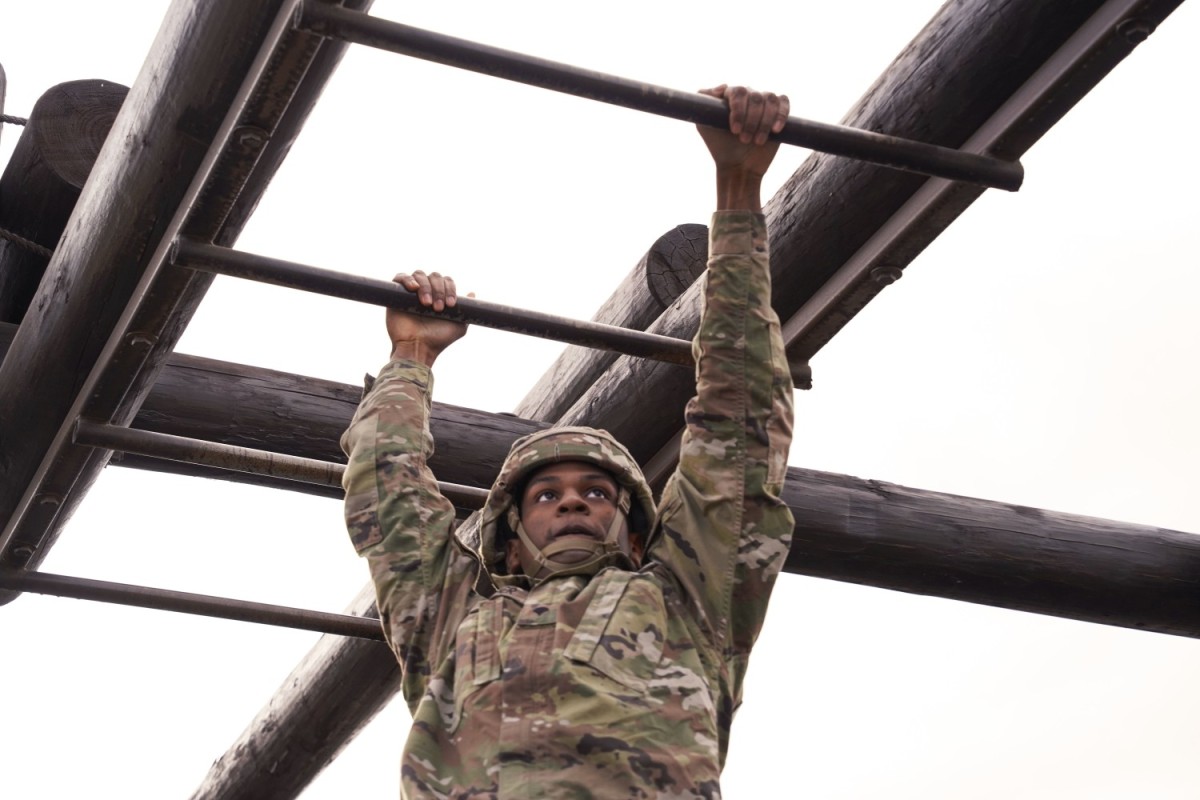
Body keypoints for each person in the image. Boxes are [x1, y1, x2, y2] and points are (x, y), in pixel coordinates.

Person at [340, 84, 795, 799]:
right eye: (547, 495)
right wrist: (410, 361)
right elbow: (386, 496)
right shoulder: (456, 618)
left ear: (638, 535)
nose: (573, 503)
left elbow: (738, 420)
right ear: (511, 540)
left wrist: (738, 190)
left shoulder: (687, 597)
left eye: (596, 492)